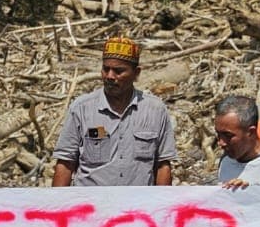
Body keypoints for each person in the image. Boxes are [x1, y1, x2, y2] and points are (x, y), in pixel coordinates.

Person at [52, 36, 177, 186]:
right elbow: (65, 163)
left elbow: (163, 165)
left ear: (136, 73)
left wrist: (161, 206)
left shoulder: (155, 110)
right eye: (106, 69)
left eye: (118, 71)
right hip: (93, 206)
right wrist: (58, 206)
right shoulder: (81, 109)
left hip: (137, 206)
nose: (110, 76)